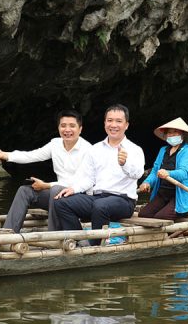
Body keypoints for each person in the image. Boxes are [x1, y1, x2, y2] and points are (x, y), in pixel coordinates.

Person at [54, 104, 145, 245]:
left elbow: (138, 174)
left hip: (123, 201)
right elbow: (89, 178)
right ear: (104, 123)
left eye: (118, 121)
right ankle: (78, 241)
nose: (113, 125)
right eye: (109, 120)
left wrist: (124, 163)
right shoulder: (95, 149)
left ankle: (94, 246)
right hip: (98, 198)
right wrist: (74, 189)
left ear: (126, 125)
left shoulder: (134, 150)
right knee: (61, 202)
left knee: (101, 206)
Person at [0, 109, 92, 232]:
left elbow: (79, 182)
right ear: (58, 127)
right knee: (25, 191)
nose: (67, 130)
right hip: (57, 195)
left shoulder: (88, 150)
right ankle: (8, 233)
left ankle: (54, 236)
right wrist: (5, 155)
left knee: (55, 189)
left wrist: (46, 185)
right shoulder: (55, 144)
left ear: (80, 129)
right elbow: (32, 155)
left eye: (72, 126)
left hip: (79, 197)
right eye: (63, 125)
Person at [138, 117, 188, 220]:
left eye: (175, 132)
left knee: (161, 217)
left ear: (182, 135)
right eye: (169, 133)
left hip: (180, 196)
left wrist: (168, 173)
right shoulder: (163, 150)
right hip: (163, 193)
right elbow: (155, 171)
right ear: (166, 135)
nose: (172, 135)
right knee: (143, 215)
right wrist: (146, 182)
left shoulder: (187, 151)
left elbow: (184, 173)